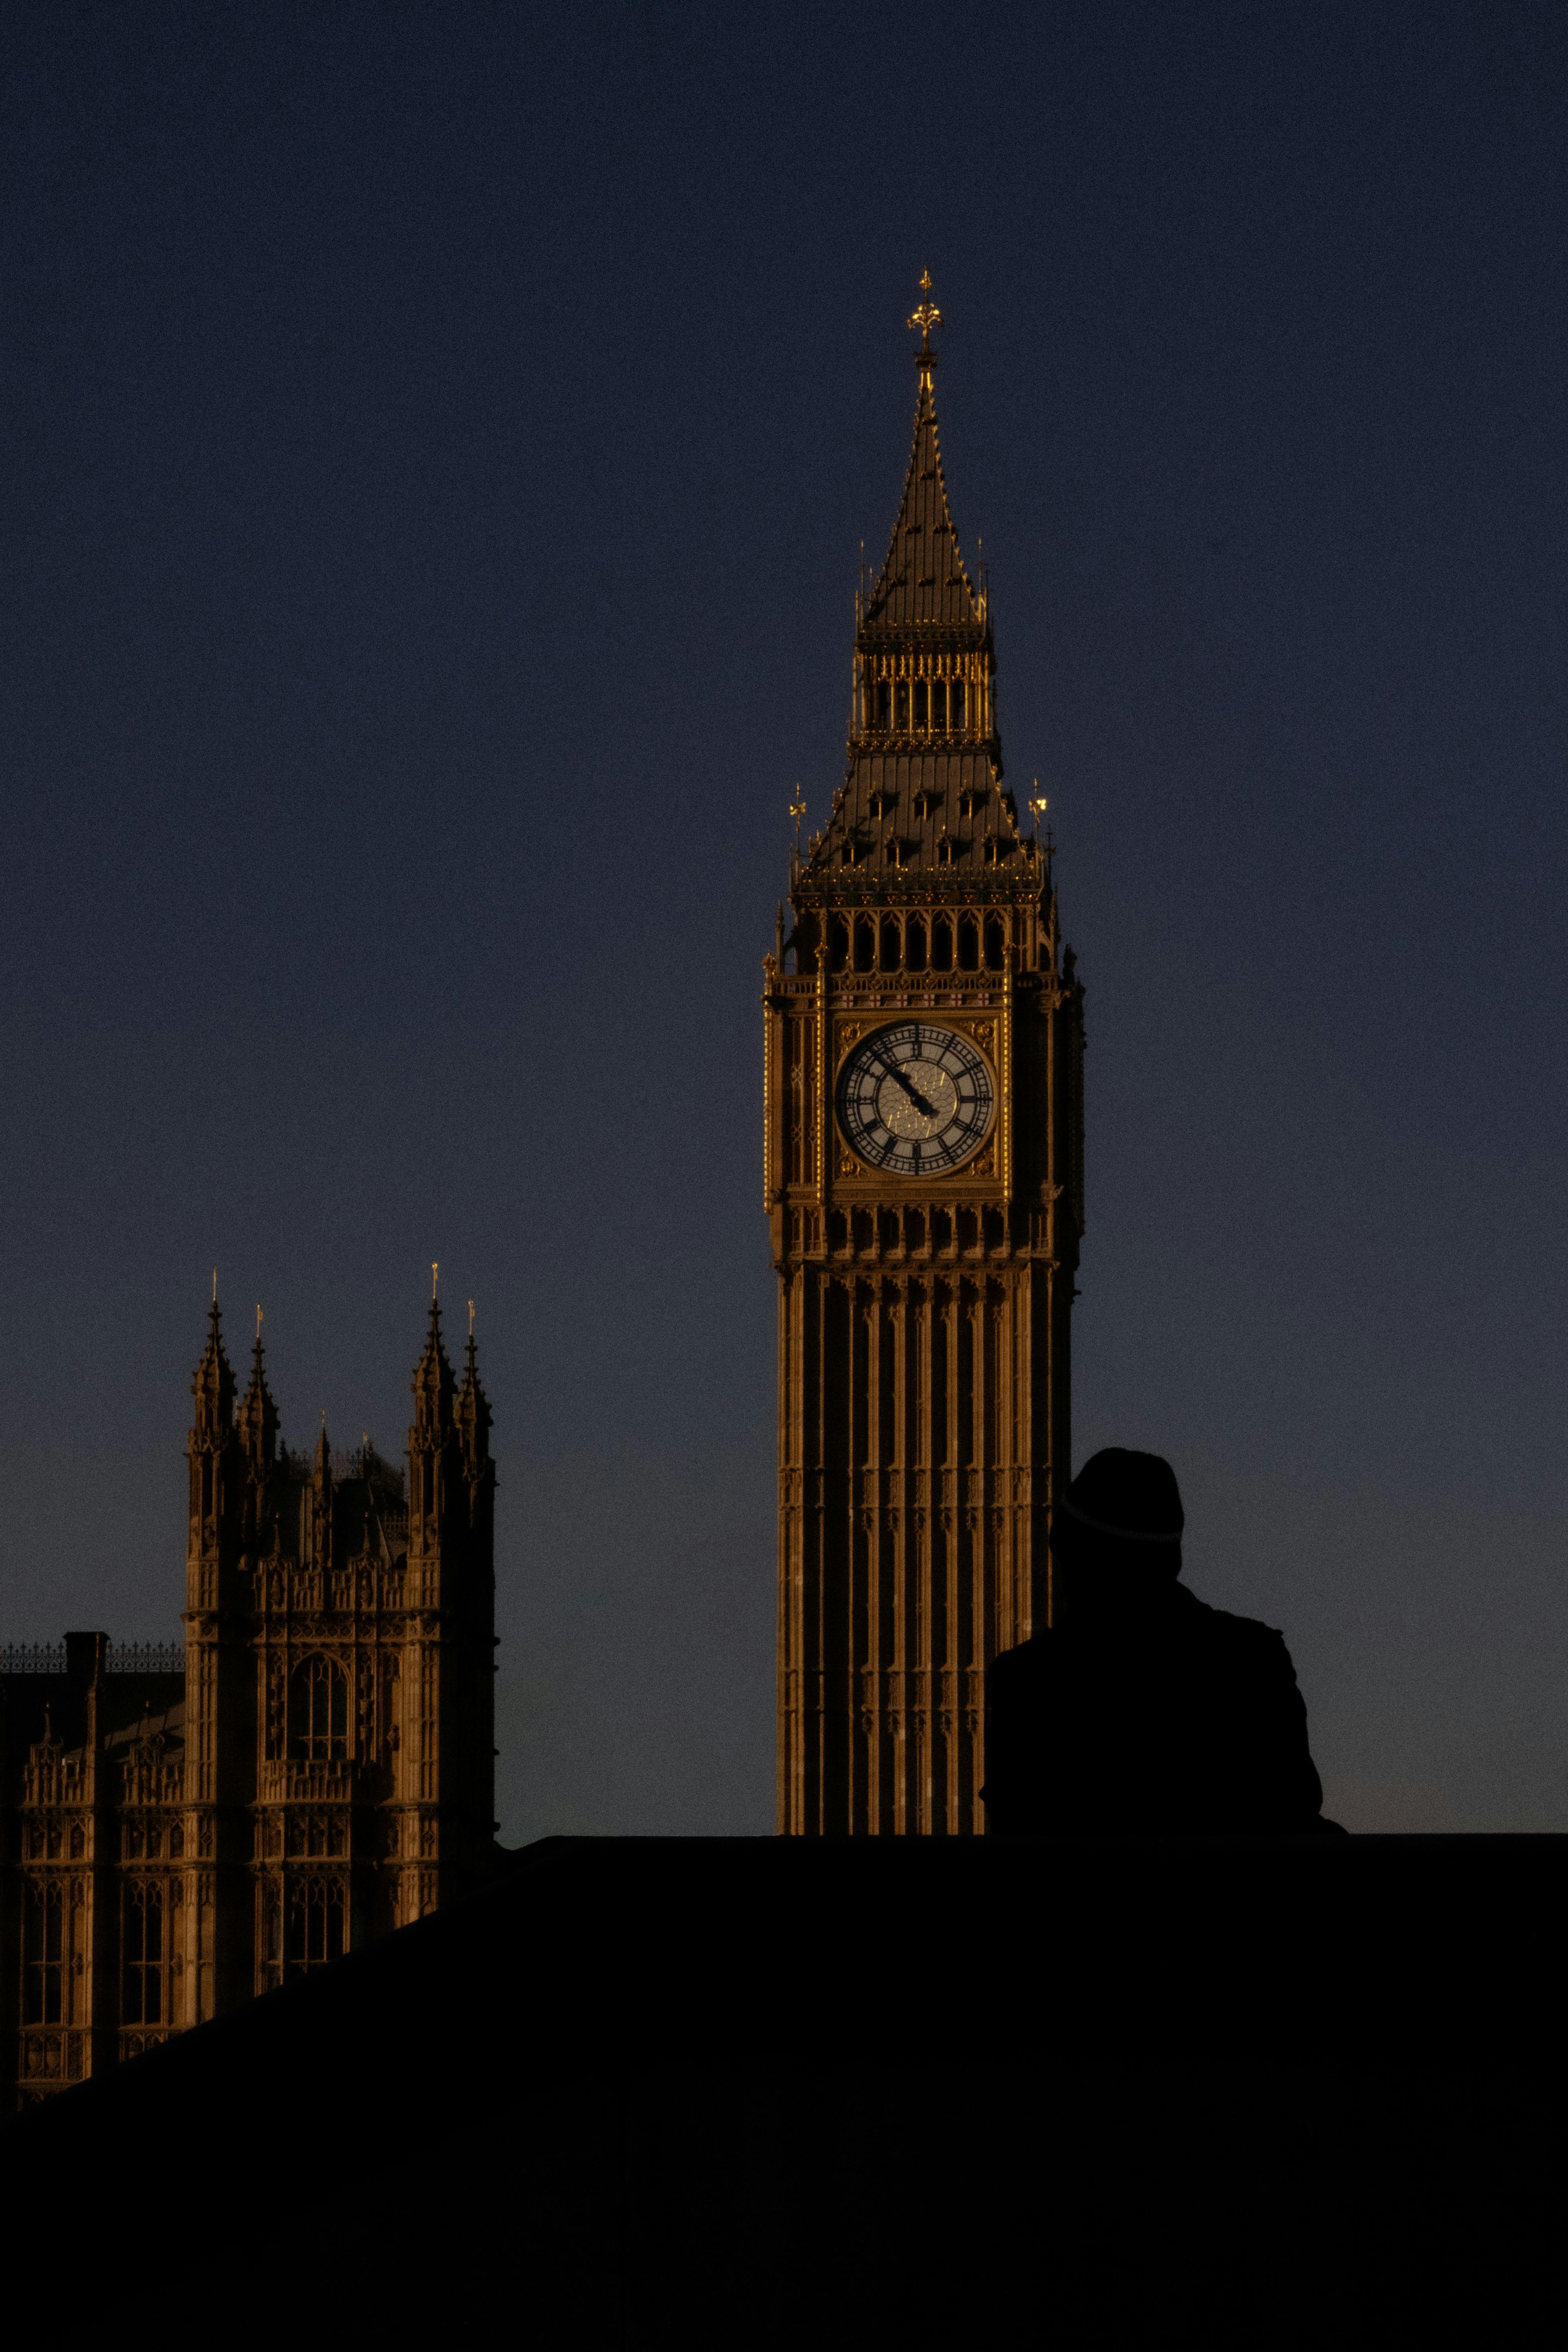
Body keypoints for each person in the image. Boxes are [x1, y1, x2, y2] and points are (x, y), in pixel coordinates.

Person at [982, 1448, 1341, 1835]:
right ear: (1170, 1559)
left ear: (1073, 1557)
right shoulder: (1251, 1658)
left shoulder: (1028, 1679)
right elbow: (1292, 1805)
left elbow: (1015, 1821)